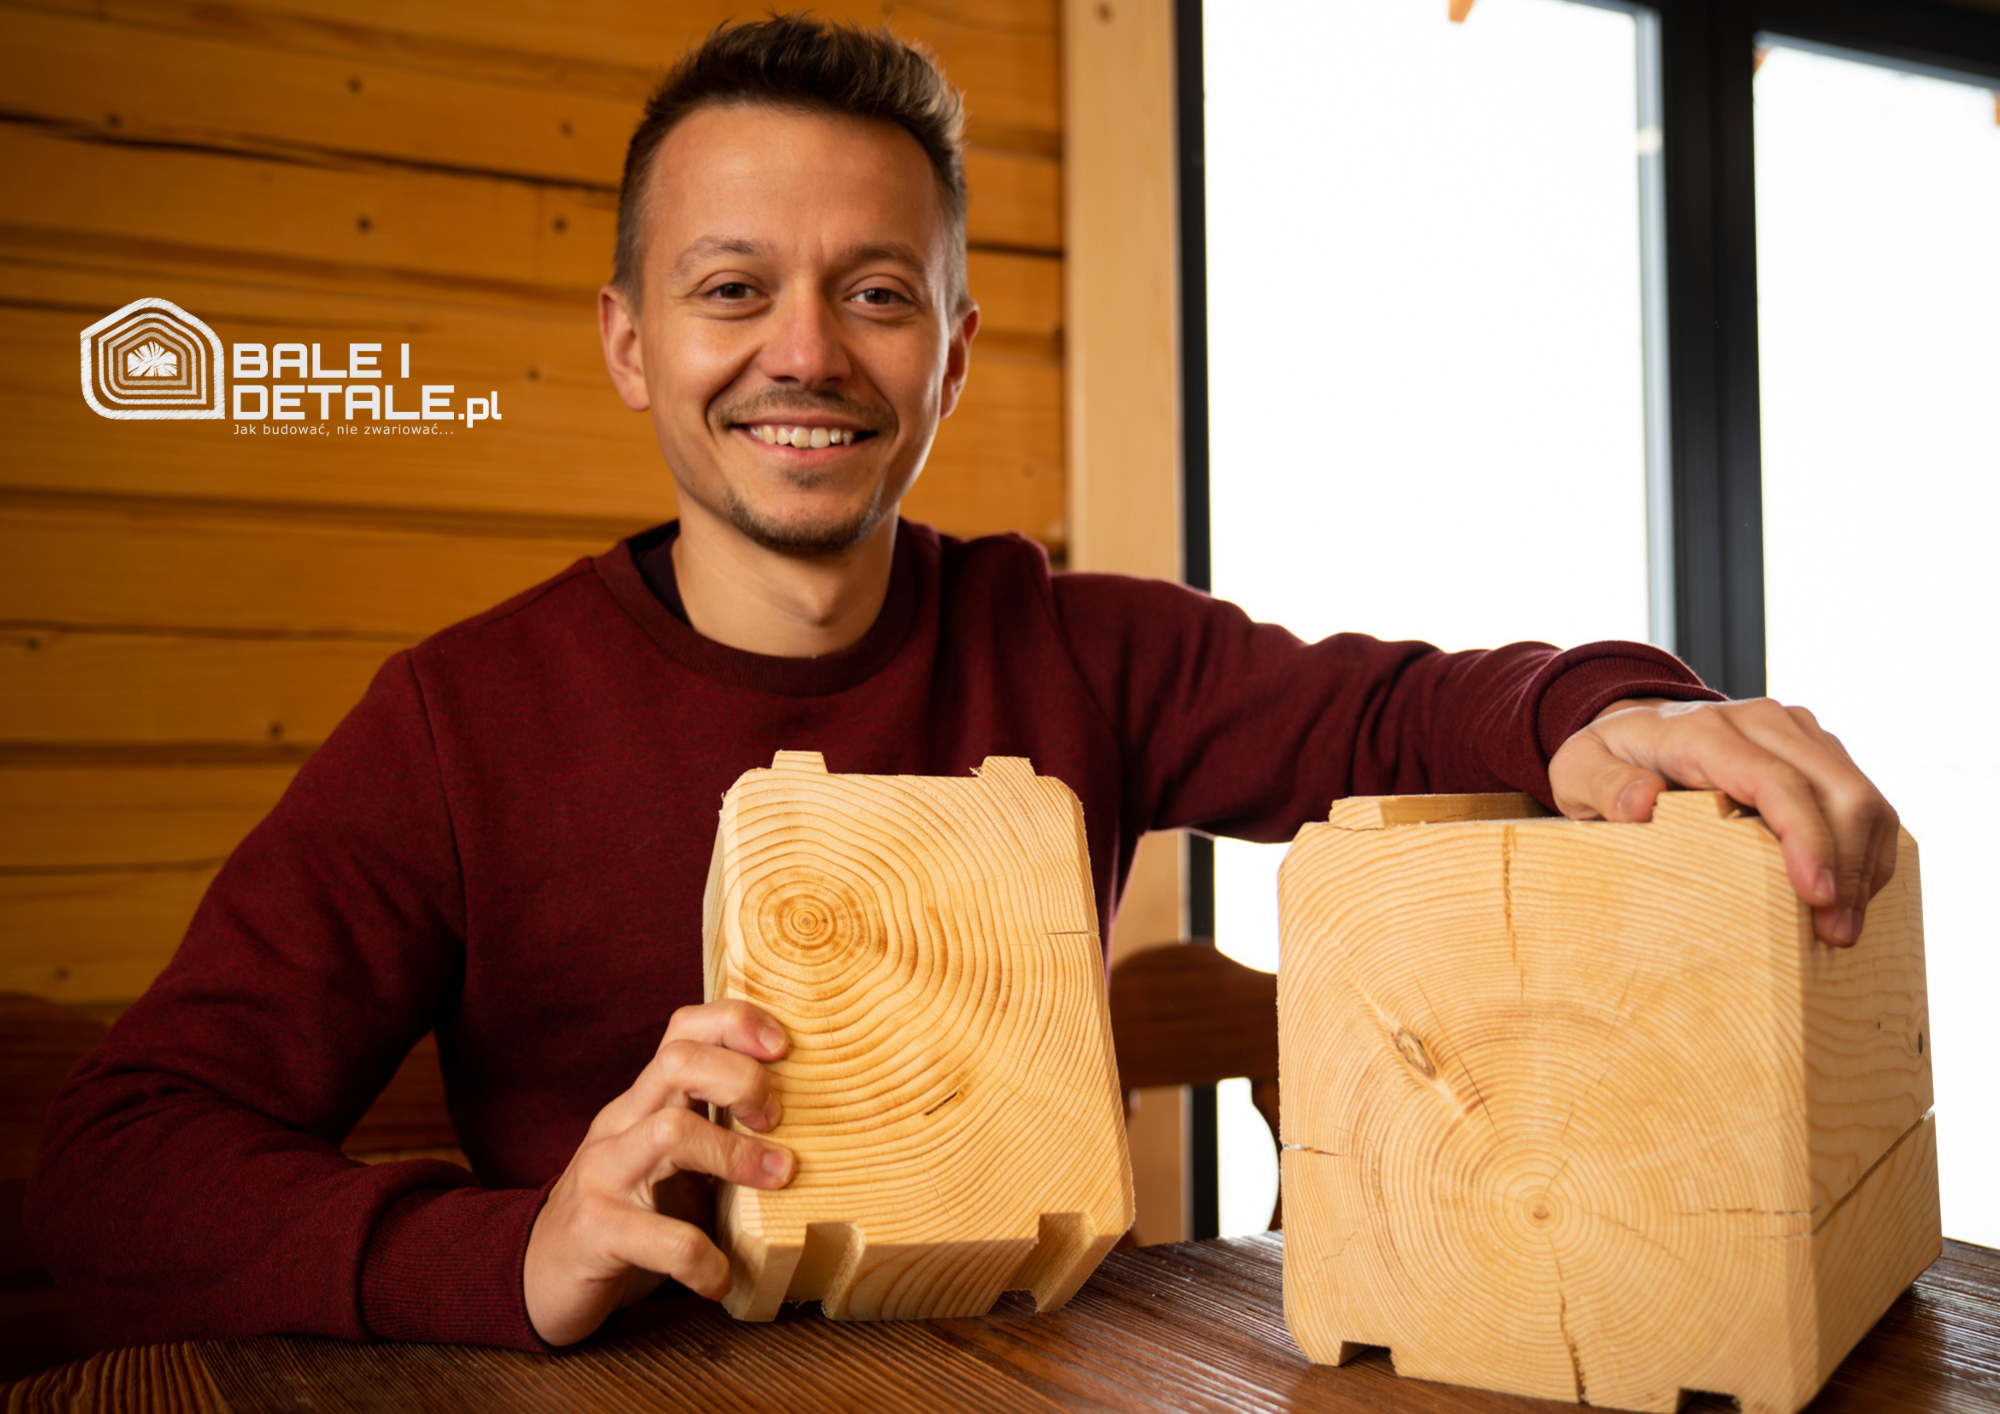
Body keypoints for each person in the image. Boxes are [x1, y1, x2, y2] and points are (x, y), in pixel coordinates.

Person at [26, 16, 1897, 1354]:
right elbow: (113, 1169)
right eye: (731, 287)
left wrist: (1616, 703)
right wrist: (513, 1252)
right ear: (629, 342)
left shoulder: (1076, 642)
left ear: (954, 352)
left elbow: (1403, 706)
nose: (805, 354)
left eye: (879, 293)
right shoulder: (454, 720)